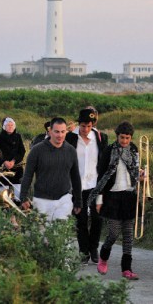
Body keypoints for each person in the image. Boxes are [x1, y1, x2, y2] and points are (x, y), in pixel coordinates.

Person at [89, 121, 140, 280]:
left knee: (128, 235)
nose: (124, 141)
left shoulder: (134, 150)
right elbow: (102, 177)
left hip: (129, 195)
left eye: (127, 138)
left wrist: (141, 175)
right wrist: (99, 199)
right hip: (112, 196)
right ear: (117, 136)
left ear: (131, 137)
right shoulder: (109, 151)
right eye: (122, 137)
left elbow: (135, 171)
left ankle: (127, 269)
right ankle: (103, 257)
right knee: (113, 233)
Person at [66, 108, 108, 264]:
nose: (86, 129)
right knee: (81, 220)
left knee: (98, 219)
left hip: (95, 185)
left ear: (93, 124)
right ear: (79, 124)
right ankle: (83, 251)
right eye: (83, 126)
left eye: (89, 126)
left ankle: (93, 248)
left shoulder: (100, 137)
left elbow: (105, 161)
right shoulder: (70, 137)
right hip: (77, 186)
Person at [20, 117, 82, 221]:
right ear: (50, 131)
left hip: (64, 199)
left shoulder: (71, 150)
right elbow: (27, 175)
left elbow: (75, 177)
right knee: (43, 235)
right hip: (41, 201)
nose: (60, 135)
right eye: (57, 132)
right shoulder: (37, 150)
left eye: (63, 132)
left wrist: (78, 201)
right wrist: (23, 197)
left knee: (61, 235)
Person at [0, 117, 26, 200]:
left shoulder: (18, 136)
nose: (10, 127)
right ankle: (5, 205)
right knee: (3, 186)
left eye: (12, 125)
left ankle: (18, 203)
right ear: (4, 127)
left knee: (17, 186)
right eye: (8, 125)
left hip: (16, 166)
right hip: (2, 167)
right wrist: (4, 161)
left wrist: (13, 161)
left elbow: (22, 151)